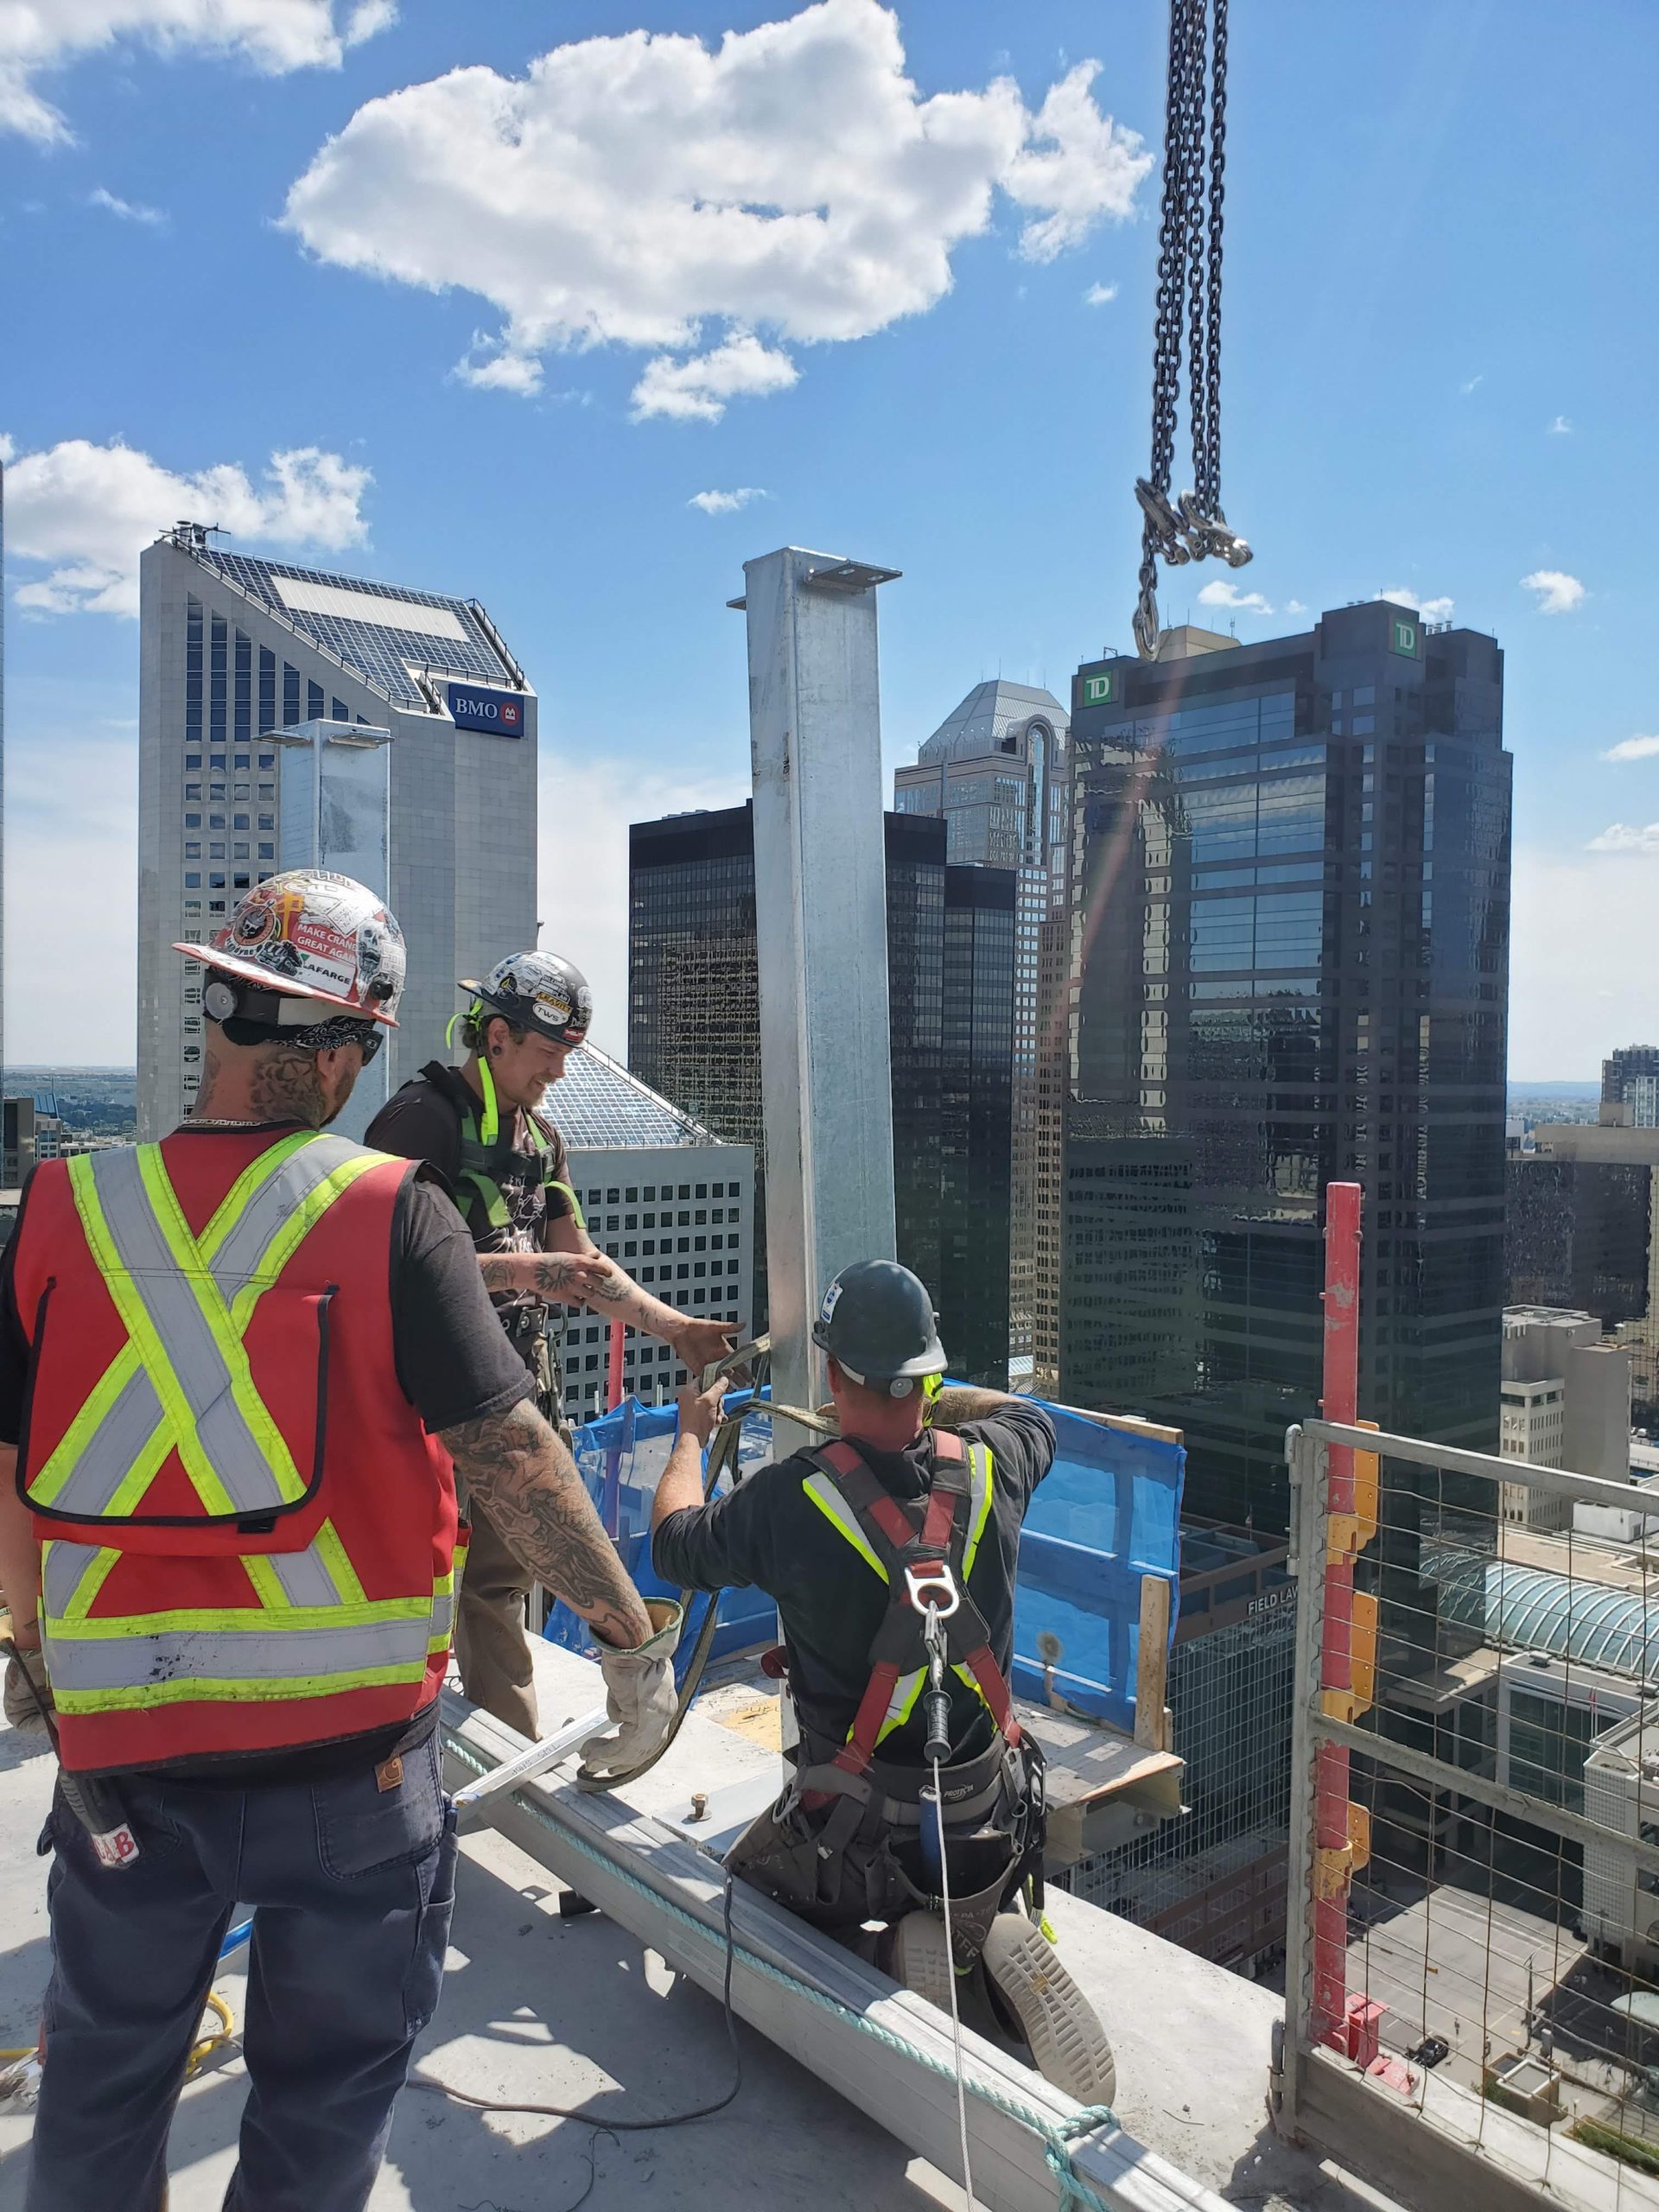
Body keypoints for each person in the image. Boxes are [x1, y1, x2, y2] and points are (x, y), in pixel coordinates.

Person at [0, 871, 679, 2212]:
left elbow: (13, 1481)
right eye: (363, 1045)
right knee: (317, 2109)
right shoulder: (387, 1210)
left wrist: (37, 1657)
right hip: (347, 1775)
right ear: (334, 1044)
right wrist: (629, 1635)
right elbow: (514, 1457)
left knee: (102, 2080)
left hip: (125, 1763)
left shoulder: (62, 1212)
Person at [651, 1259, 1115, 2103]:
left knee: (732, 1912)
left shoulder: (789, 1503)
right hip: (989, 1816)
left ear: (831, 1376)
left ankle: (888, 1947)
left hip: (856, 1841)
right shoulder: (992, 1465)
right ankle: (981, 1935)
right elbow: (1030, 1418)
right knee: (962, 1813)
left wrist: (690, 1431)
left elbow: (674, 1538)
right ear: (928, 1378)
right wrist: (937, 1400)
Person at [365, 950, 733, 1738]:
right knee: (422, 1570)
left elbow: (582, 1267)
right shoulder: (419, 1121)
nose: (560, 1072)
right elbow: (381, 1262)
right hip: (426, 1394)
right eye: (549, 1052)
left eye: (568, 1054)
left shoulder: (541, 1142)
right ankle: (399, 1731)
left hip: (509, 1380)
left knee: (501, 1571)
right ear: (497, 1035)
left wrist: (676, 1329)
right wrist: (527, 1269)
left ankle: (506, 1734)